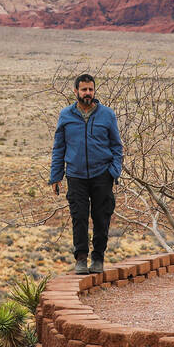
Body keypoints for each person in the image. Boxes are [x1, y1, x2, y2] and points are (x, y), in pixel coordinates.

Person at [49, 73, 122, 275]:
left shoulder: (107, 115)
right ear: (76, 91)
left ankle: (98, 258)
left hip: (102, 174)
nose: (87, 93)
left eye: (90, 89)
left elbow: (117, 146)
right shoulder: (66, 115)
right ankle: (81, 259)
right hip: (76, 175)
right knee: (79, 217)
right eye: (84, 90)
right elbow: (59, 148)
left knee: (101, 217)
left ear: (94, 90)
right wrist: (56, 176)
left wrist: (114, 172)